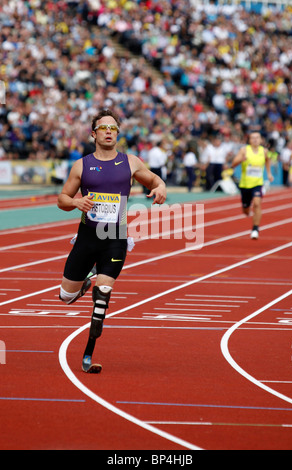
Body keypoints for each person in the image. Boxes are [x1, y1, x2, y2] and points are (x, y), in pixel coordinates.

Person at [57, 108, 166, 373]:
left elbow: (153, 179)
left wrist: (160, 186)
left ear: (117, 133)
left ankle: (87, 354)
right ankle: (82, 283)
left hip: (115, 237)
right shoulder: (81, 165)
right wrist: (75, 201)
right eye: (104, 128)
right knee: (65, 297)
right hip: (87, 237)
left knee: (103, 294)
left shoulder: (130, 162)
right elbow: (62, 199)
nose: (109, 132)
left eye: (113, 128)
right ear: (94, 134)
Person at [230, 131, 273, 240]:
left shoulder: (264, 151)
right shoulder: (244, 150)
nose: (255, 140)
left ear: (261, 140)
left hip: (258, 183)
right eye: (253, 138)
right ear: (249, 140)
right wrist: (240, 160)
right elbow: (233, 164)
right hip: (245, 185)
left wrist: (269, 173)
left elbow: (268, 160)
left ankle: (255, 229)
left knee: (257, 204)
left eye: (257, 137)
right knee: (246, 211)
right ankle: (246, 207)